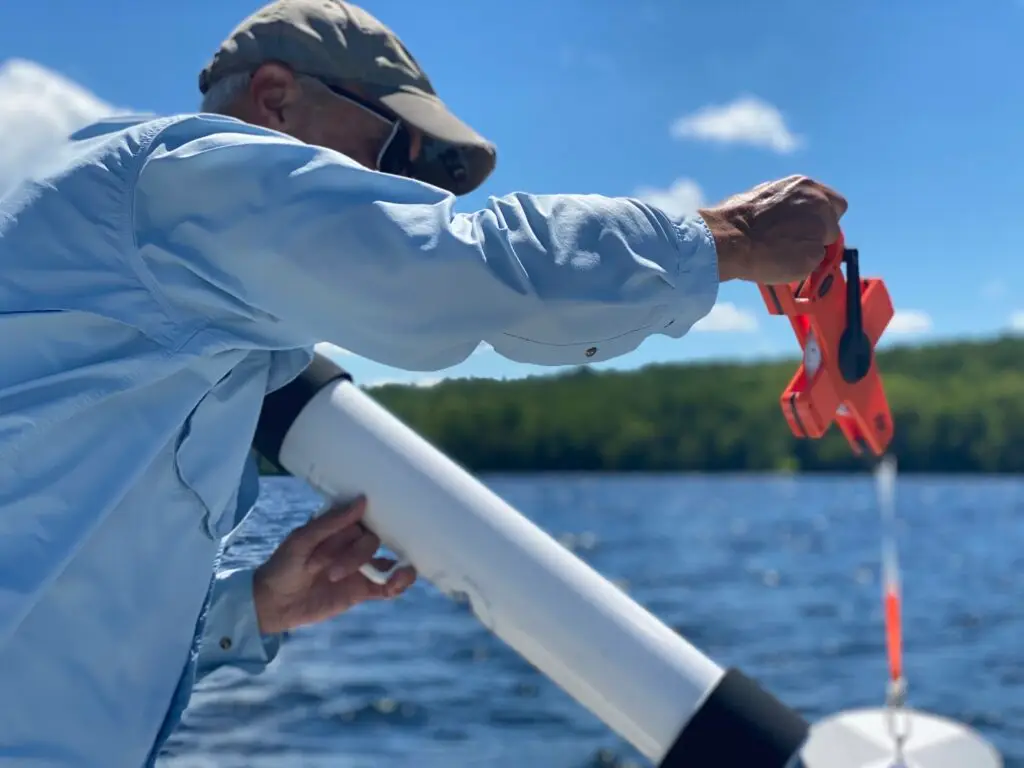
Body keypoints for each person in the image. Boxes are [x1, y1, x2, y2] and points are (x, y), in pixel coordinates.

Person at [0, 0, 847, 765]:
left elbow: (58, 622)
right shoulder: (187, 179)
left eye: (424, 178)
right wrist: (720, 239)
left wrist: (249, 609)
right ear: (273, 98)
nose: (403, 189)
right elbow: (449, 272)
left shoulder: (180, 300)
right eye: (395, 148)